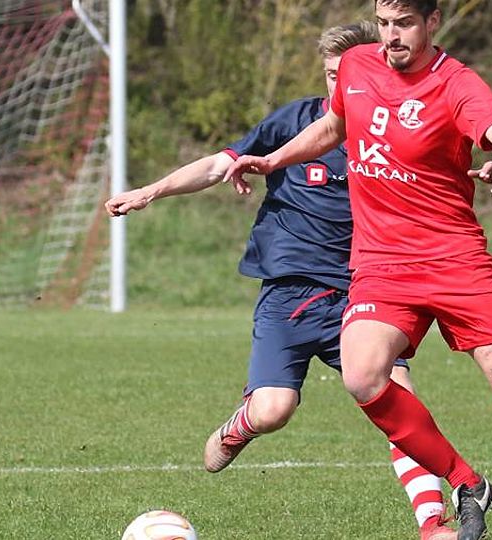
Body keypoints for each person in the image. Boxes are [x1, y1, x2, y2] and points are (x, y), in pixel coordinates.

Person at [224, 2, 492, 540]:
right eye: (384, 23)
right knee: (362, 375)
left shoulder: (457, 83)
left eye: (405, 24)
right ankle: (467, 483)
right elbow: (335, 126)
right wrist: (274, 160)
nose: (391, 36)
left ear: (432, 21)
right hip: (382, 263)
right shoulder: (357, 65)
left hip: (455, 259)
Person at [106, 22, 456, 540]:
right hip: (290, 294)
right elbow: (219, 164)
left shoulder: (395, 132)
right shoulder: (295, 122)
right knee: (273, 409)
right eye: (331, 74)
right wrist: (151, 191)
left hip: (363, 294)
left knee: (414, 403)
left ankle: (436, 524)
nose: (340, 84)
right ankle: (239, 426)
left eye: (349, 73)